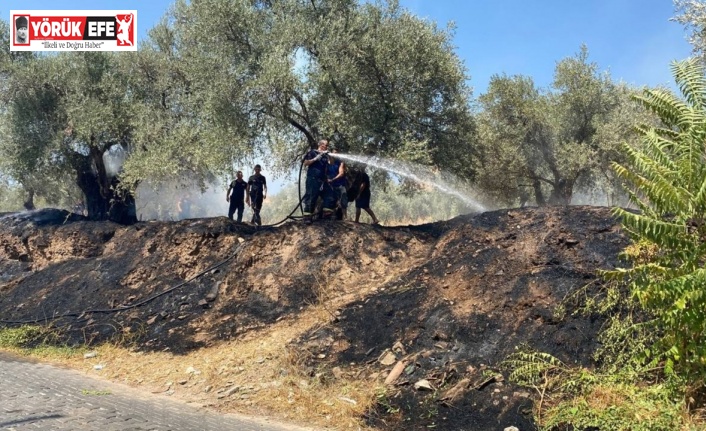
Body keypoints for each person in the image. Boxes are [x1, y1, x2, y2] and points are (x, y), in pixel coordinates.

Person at [302, 139, 336, 223]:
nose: (327, 147)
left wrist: (330, 155)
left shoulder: (325, 155)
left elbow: (331, 163)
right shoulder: (312, 152)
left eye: (327, 145)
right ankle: (307, 217)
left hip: (323, 180)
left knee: (330, 194)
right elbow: (306, 163)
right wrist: (316, 158)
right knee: (311, 197)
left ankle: (327, 214)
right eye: (326, 145)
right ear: (321, 145)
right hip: (313, 179)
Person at [327, 151, 348, 220]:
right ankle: (331, 216)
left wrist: (332, 179)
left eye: (337, 153)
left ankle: (345, 217)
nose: (335, 154)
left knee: (343, 200)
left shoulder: (340, 163)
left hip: (340, 185)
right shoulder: (327, 164)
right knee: (332, 200)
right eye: (334, 152)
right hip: (332, 186)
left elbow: (341, 173)